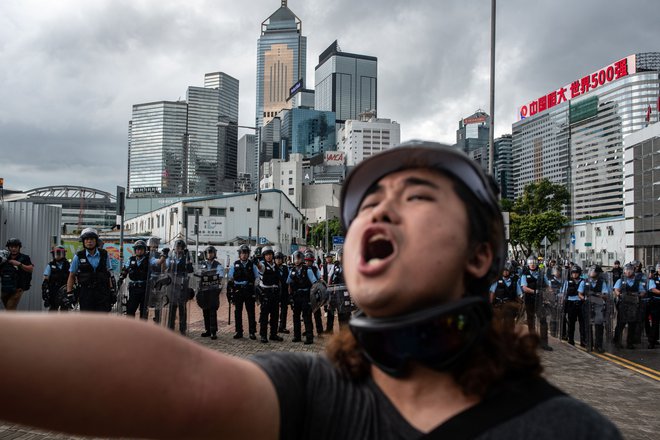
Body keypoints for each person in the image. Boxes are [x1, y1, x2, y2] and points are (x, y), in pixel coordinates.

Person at [0, 141, 621, 439]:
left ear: (482, 253)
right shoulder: (317, 396)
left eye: (416, 198)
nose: (377, 213)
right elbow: (178, 383)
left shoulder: (568, 430)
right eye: (367, 204)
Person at [66, 229, 114, 312]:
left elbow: (108, 274)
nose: (89, 241)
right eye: (87, 239)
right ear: (83, 241)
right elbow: (71, 275)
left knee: (102, 319)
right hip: (85, 293)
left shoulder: (104, 254)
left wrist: (112, 290)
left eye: (92, 239)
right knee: (87, 320)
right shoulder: (78, 256)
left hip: (102, 292)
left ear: (96, 241)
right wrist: (69, 293)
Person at [228, 244, 259, 340]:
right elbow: (230, 277)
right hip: (238, 290)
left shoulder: (252, 265)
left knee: (251, 312)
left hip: (249, 290)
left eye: (246, 253)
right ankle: (239, 332)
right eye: (242, 253)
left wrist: (255, 289)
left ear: (248, 254)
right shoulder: (235, 264)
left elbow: (257, 277)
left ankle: (252, 332)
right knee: (238, 312)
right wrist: (231, 289)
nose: (244, 255)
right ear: (239, 254)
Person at [520, 255, 552, 350]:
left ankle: (544, 343)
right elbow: (524, 288)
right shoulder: (525, 274)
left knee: (543, 321)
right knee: (531, 321)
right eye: (531, 263)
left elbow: (547, 286)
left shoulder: (541, 273)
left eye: (534, 263)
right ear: (528, 264)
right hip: (529, 300)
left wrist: (550, 291)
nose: (532, 265)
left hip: (540, 300)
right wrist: (535, 292)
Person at [287, 250, 317, 344]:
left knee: (306, 317)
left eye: (299, 258)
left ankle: (309, 337)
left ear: (302, 259)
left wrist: (312, 298)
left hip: (305, 296)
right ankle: (297, 336)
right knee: (296, 317)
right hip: (296, 296)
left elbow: (314, 284)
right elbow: (289, 283)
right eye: (296, 258)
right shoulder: (292, 270)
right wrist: (290, 297)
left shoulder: (308, 269)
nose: (297, 260)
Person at [613, 263, 645, 349]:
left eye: (629, 270)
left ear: (633, 271)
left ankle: (629, 343)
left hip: (634, 305)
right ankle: (617, 341)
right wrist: (619, 294)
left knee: (632, 324)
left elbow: (643, 292)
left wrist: (638, 295)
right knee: (621, 324)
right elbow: (616, 290)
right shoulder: (621, 280)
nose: (627, 272)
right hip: (623, 305)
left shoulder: (638, 282)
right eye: (626, 270)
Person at [166, 240, 194, 335]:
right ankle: (171, 327)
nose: (177, 249)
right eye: (176, 247)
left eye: (179, 247)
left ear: (183, 248)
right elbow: (166, 268)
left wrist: (188, 258)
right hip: (172, 285)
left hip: (182, 286)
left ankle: (182, 329)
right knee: (172, 307)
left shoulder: (186, 258)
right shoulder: (171, 257)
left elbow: (190, 270)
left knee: (182, 308)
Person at [256, 246, 283, 343]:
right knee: (264, 316)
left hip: (275, 294)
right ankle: (263, 335)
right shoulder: (263, 265)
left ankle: (273, 334)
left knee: (275, 315)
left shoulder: (275, 266)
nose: (269, 256)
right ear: (264, 256)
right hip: (266, 294)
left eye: (270, 254)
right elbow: (259, 266)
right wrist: (255, 261)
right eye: (266, 255)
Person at [196, 246, 224, 340]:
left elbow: (220, 277)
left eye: (211, 252)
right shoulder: (202, 264)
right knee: (205, 311)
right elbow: (198, 275)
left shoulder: (218, 265)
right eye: (208, 252)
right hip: (204, 291)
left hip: (213, 291)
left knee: (212, 312)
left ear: (214, 254)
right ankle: (207, 330)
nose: (210, 254)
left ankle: (213, 331)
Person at [118, 240, 150, 319]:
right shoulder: (131, 259)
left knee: (144, 312)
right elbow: (125, 269)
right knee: (130, 311)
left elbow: (158, 263)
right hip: (133, 289)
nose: (139, 250)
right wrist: (121, 277)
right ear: (135, 250)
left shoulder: (149, 259)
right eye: (137, 249)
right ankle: (130, 329)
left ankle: (143, 330)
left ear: (144, 250)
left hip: (145, 288)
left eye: (141, 249)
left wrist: (162, 256)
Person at [0, 238, 33, 311]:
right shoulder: (4, 257)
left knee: (10, 308)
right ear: (8, 247)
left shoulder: (25, 257)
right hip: (5, 288)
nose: (13, 249)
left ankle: (11, 322)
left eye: (16, 247)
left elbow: (30, 269)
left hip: (18, 288)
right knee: (9, 309)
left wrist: (19, 264)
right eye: (11, 247)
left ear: (19, 247)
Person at [583, 265, 611, 353]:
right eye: (591, 270)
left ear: (598, 273)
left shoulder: (602, 282)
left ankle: (598, 346)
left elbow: (605, 295)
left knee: (599, 325)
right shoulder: (585, 281)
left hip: (598, 305)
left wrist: (597, 295)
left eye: (594, 271)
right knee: (588, 326)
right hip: (588, 304)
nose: (592, 273)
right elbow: (580, 293)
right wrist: (585, 298)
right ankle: (589, 345)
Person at [489, 261, 522, 331]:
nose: (505, 272)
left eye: (507, 270)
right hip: (498, 306)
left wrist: (519, 305)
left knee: (510, 326)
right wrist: (490, 305)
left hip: (510, 307)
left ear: (510, 271)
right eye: (503, 270)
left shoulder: (514, 282)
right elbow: (492, 293)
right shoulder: (496, 281)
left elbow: (519, 295)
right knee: (497, 326)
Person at [562, 265, 586, 346]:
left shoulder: (583, 281)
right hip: (570, 304)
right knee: (571, 322)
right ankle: (570, 339)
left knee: (582, 323)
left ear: (579, 273)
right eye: (573, 273)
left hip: (581, 303)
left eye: (576, 273)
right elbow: (563, 293)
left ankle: (583, 341)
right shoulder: (567, 282)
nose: (575, 274)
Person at [42, 245, 70, 311]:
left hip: (65, 290)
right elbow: (46, 278)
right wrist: (45, 291)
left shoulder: (68, 265)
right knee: (53, 309)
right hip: (53, 290)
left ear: (64, 254)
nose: (57, 255)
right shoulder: (50, 265)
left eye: (59, 253)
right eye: (56, 253)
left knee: (64, 309)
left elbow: (72, 276)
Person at [274, 251, 290, 334]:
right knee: (275, 310)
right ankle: (275, 327)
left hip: (284, 292)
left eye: (280, 258)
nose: (278, 260)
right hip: (275, 292)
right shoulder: (273, 268)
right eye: (276, 258)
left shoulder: (285, 268)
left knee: (284, 310)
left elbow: (288, 280)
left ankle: (282, 326)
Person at [647, 264, 660, 349]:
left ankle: (656, 339)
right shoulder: (653, 279)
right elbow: (652, 289)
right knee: (655, 322)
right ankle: (652, 341)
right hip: (656, 302)